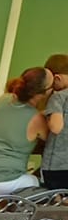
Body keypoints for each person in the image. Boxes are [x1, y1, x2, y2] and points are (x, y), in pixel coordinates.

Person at [39, 52, 68, 192]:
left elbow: (56, 127)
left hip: (57, 165)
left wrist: (47, 117)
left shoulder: (58, 98)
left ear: (57, 78)